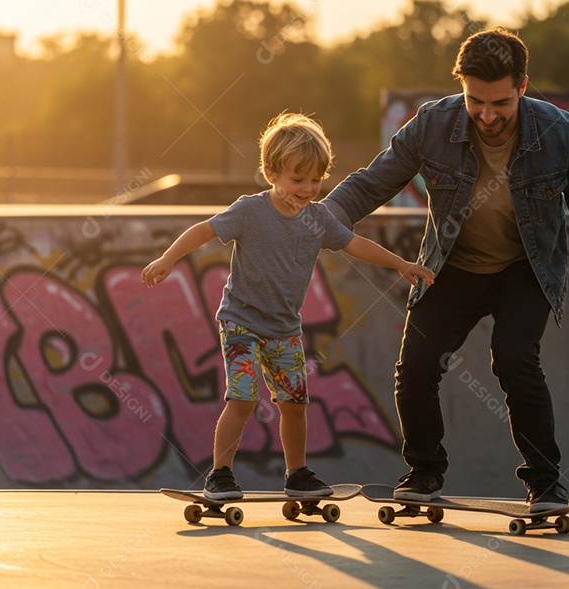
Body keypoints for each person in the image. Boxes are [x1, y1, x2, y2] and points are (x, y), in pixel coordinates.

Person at [321, 28, 569, 512]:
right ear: (461, 87)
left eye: (500, 104)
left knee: (513, 358)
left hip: (524, 270)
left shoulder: (562, 135)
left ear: (523, 86)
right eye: (475, 101)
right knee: (417, 365)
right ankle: (423, 474)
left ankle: (545, 482)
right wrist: (317, 220)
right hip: (452, 266)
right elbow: (369, 185)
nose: (486, 116)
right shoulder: (431, 125)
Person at [142, 113, 435, 500]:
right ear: (271, 173)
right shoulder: (250, 210)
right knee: (243, 397)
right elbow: (203, 229)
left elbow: (357, 245)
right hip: (241, 323)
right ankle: (220, 475)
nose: (309, 189)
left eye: (316, 180)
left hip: (284, 330)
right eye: (298, 180)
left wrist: (402, 264)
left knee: (295, 405)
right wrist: (168, 258)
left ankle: (297, 474)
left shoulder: (319, 218)